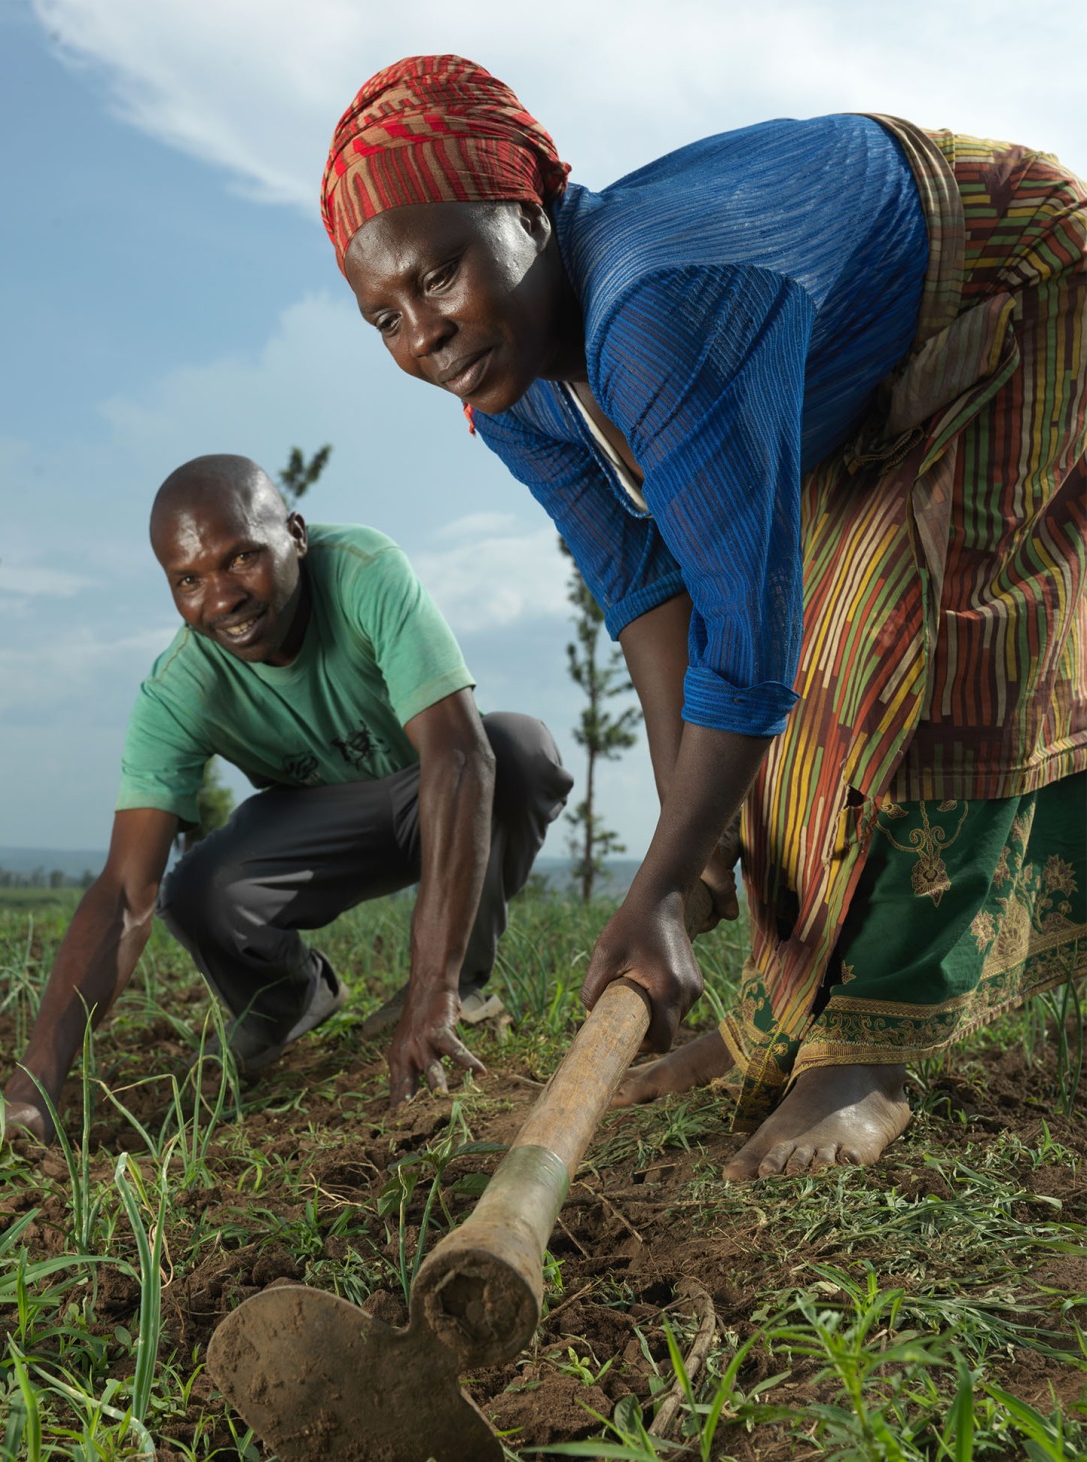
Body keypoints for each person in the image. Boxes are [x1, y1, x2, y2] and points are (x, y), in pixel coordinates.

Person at [322, 56, 1086, 1180]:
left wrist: (649, 888)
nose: (421, 336)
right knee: (746, 744)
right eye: (383, 316)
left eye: (438, 276)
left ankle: (862, 1056)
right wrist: (692, 844)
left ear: (528, 213)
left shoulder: (656, 306)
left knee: (892, 637)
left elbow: (749, 644)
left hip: (1016, 281)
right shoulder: (513, 380)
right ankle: (781, 1025)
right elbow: (647, 588)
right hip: (861, 374)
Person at [0, 453, 571, 1144]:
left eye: (241, 557)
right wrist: (32, 1089)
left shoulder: (365, 571)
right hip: (328, 831)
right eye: (188, 580)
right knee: (196, 888)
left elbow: (458, 756)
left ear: (297, 537)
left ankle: (457, 990)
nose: (220, 599)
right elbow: (126, 892)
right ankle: (287, 999)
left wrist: (430, 987)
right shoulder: (179, 688)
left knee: (516, 751)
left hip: (436, 796)